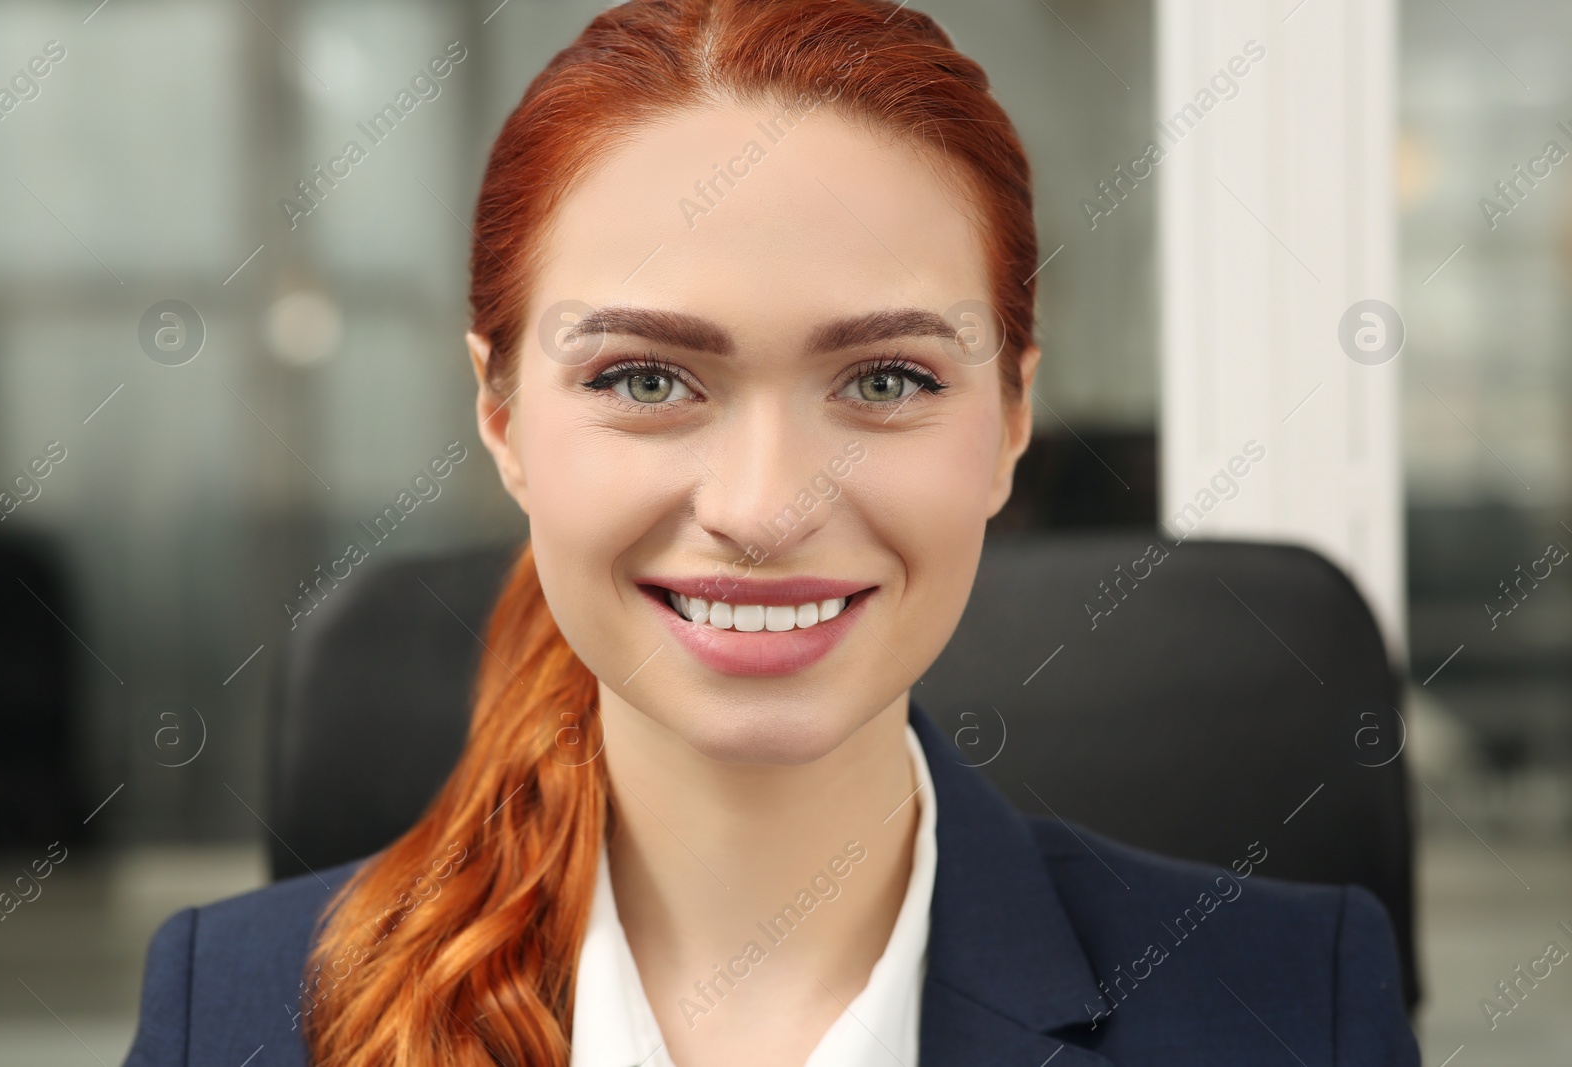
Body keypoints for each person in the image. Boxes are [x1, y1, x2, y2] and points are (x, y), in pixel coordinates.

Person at [123, 1, 1420, 1064]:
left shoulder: (1293, 1009)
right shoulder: (235, 1018)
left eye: (887, 381)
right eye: (644, 380)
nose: (761, 509)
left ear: (1015, 414)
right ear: (505, 418)